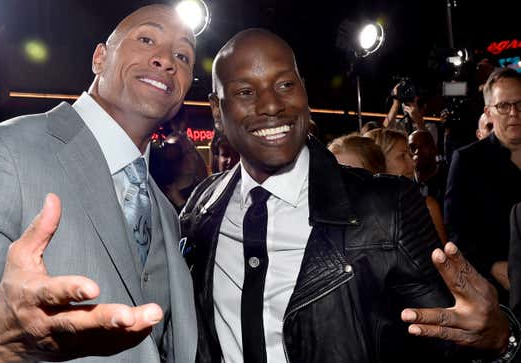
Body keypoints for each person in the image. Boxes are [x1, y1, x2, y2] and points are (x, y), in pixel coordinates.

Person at [0, 5, 197, 363]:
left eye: (183, 56)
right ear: (99, 58)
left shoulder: (165, 211)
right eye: (147, 38)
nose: (166, 60)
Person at [180, 28, 517, 363]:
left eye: (285, 84)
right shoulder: (202, 207)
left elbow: (451, 332)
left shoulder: (386, 208)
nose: (271, 104)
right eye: (245, 91)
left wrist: (502, 339)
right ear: (215, 111)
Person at [445, 67, 521, 297]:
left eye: (520, 103)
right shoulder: (468, 161)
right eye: (503, 106)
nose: (514, 113)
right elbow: (457, 233)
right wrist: (491, 266)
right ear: (488, 112)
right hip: (498, 295)